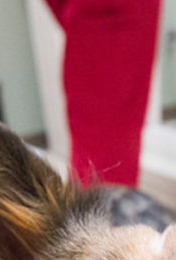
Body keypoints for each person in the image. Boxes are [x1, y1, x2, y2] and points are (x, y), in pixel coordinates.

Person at [44, 0, 162, 187]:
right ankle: (102, 209)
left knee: (106, 145)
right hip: (112, 20)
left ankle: (98, 207)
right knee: (107, 151)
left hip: (110, 21)